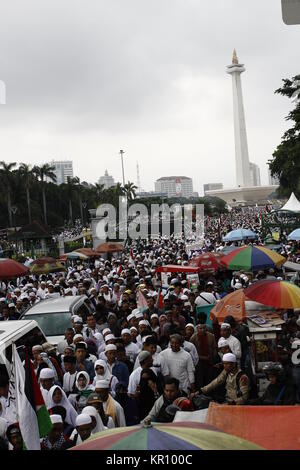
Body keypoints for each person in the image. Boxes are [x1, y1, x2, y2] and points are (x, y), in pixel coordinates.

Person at [190, 324, 216, 388]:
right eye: (200, 328)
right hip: (199, 363)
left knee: (209, 379)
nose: (203, 330)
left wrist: (213, 357)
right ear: (197, 329)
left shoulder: (211, 336)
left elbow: (214, 347)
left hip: (209, 362)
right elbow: (192, 353)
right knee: (200, 380)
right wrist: (202, 357)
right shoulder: (193, 338)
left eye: (204, 328)